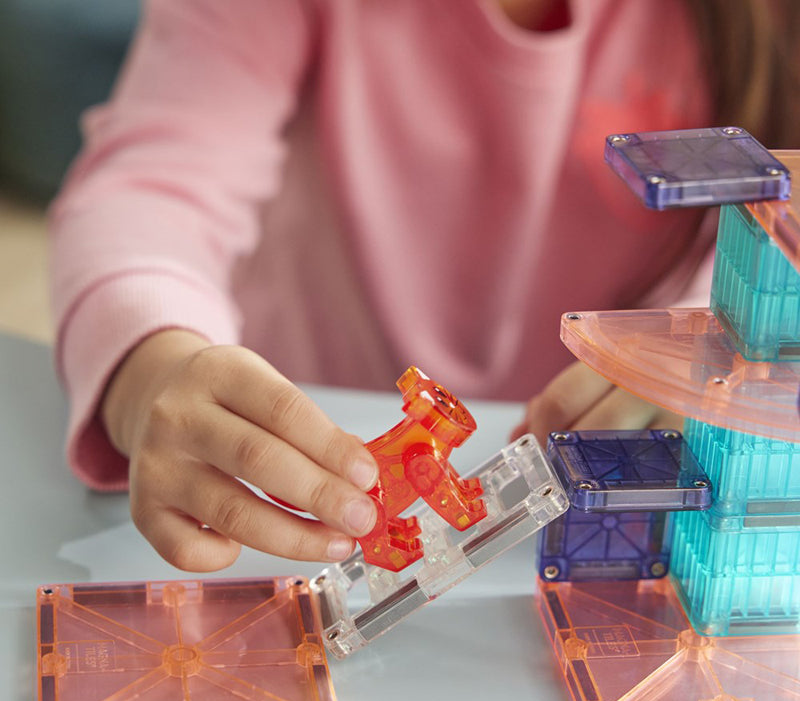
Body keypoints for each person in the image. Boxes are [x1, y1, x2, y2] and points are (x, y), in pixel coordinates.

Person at [49, 0, 800, 572]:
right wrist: (153, 366)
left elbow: (775, 230)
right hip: (279, 459)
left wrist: (726, 367)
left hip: (606, 494)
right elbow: (152, 188)